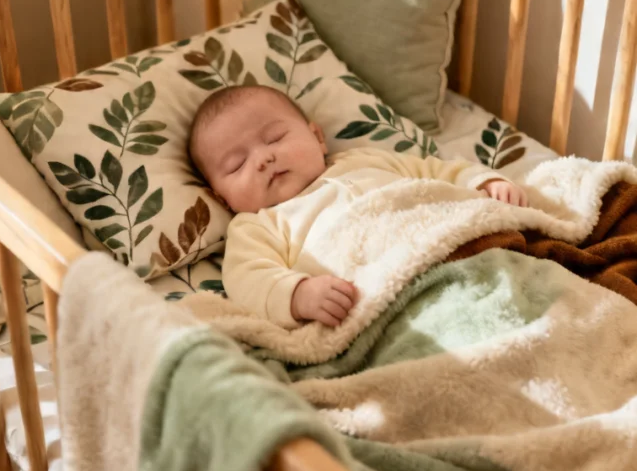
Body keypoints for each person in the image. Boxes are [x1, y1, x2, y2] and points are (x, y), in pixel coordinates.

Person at [188, 85, 527, 328]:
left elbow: (437, 172)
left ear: (318, 137)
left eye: (275, 138)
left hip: (458, 247)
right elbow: (249, 279)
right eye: (237, 165)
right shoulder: (257, 226)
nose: (263, 158)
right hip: (388, 302)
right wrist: (299, 295)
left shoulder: (365, 159)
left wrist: (485, 182)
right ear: (223, 199)